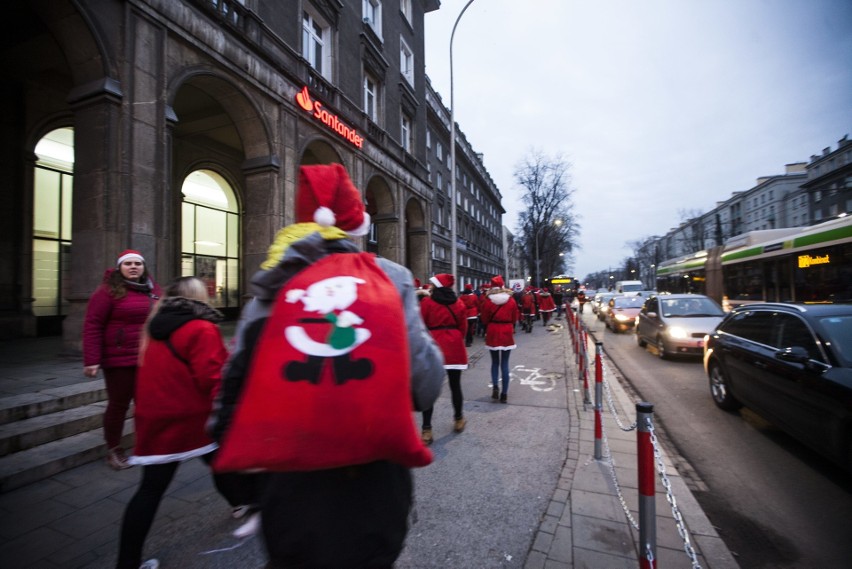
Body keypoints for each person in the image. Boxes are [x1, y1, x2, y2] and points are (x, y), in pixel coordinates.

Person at [210, 163, 443, 569]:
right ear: (360, 227)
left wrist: (249, 487)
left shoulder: (270, 288)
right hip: (372, 486)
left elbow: (227, 401)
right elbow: (425, 387)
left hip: (288, 490)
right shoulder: (392, 280)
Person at [115, 277, 262, 569]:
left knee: (158, 485)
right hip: (193, 417)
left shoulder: (152, 328)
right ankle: (245, 502)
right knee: (219, 459)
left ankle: (126, 562)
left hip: (155, 416)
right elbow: (213, 377)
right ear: (198, 297)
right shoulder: (201, 328)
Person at [83, 249, 161, 470]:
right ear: (120, 268)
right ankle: (114, 450)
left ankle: (146, 444)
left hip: (148, 357)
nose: (134, 267)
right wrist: (91, 360)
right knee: (118, 405)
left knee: (146, 404)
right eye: (128, 264)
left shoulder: (153, 290)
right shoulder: (107, 291)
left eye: (138, 263)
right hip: (119, 359)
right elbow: (93, 325)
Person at [420, 273, 469, 444]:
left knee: (429, 389)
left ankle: (427, 430)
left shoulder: (427, 302)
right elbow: (463, 327)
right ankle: (458, 419)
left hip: (434, 347)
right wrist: (455, 338)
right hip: (455, 347)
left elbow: (421, 325)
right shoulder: (459, 303)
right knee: (456, 386)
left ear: (437, 286)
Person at [479, 275, 520, 403]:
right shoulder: (511, 300)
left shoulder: (487, 301)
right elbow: (515, 318)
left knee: (495, 362)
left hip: (492, 331)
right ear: (503, 286)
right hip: (507, 331)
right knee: (505, 364)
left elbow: (484, 319)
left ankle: (495, 387)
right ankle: (504, 394)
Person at [459, 283, 479, 347]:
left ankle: (468, 340)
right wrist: (478, 311)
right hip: (473, 314)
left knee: (467, 328)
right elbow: (477, 304)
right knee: (471, 328)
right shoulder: (474, 296)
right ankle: (469, 340)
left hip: (465, 313)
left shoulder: (461, 297)